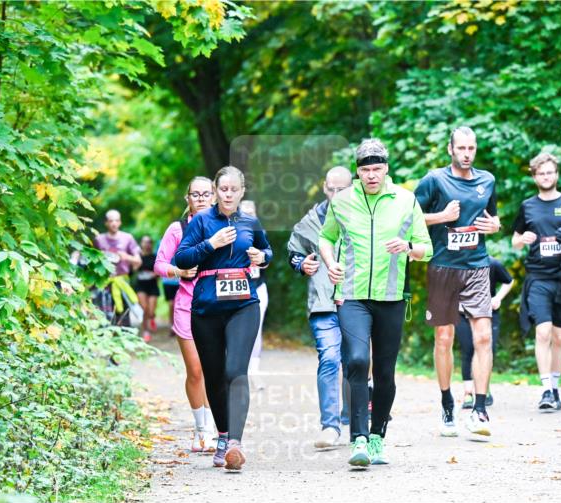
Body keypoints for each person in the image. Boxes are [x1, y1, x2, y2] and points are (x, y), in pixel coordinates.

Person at [319, 139, 432, 468]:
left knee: (384, 372)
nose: (371, 175)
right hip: (352, 296)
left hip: (391, 297)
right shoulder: (341, 202)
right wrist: (330, 262)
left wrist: (408, 246)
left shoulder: (406, 200)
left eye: (377, 169)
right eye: (365, 170)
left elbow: (427, 248)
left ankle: (378, 435)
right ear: (358, 171)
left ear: (386, 169)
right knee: (356, 360)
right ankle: (359, 438)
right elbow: (326, 238)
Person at [175, 166, 273, 471]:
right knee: (215, 377)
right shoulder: (202, 221)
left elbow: (267, 249)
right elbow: (182, 258)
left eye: (234, 189)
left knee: (235, 370)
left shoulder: (249, 221)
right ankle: (222, 434)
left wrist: (262, 257)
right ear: (216, 191)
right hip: (205, 309)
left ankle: (235, 444)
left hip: (243, 305)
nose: (228, 194)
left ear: (242, 191)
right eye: (223, 189)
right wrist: (211, 244)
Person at [414, 126, 501, 439]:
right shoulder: (434, 180)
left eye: (472, 148)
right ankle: (447, 402)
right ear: (450, 149)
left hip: (477, 266)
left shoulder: (487, 180)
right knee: (444, 339)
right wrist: (442, 217)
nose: (467, 154)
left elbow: (494, 218)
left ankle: (479, 408)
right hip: (443, 267)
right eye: (461, 148)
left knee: (483, 338)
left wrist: (495, 225)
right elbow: (409, 216)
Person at [512, 152, 561, 412]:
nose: (546, 176)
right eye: (541, 173)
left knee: (559, 336)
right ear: (534, 177)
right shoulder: (528, 206)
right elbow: (515, 239)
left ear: (556, 174)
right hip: (538, 277)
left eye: (550, 172)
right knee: (542, 331)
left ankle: (555, 388)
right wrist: (523, 239)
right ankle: (545, 389)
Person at [287, 166, 354, 449]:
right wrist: (302, 264)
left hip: (357, 301)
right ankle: (330, 426)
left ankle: (355, 420)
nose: (336, 194)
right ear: (324, 188)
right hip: (323, 302)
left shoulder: (365, 215)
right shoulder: (310, 221)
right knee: (329, 359)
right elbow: (293, 253)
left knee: (357, 362)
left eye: (342, 189)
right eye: (331, 189)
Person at [154, 178, 218, 452]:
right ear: (187, 198)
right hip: (186, 306)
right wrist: (178, 272)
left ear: (214, 197)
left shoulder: (224, 225)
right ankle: (201, 429)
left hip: (217, 306)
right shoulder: (177, 229)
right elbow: (159, 264)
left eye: (206, 194)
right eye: (196, 194)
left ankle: (218, 428)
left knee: (214, 371)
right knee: (195, 370)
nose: (201, 198)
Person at [455, 257, 514, 409]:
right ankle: (468, 393)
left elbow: (509, 280)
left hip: (488, 312)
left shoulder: (492, 263)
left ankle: (483, 388)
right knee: (468, 349)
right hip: (462, 314)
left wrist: (498, 298)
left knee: (488, 349)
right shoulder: (456, 263)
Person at [93, 209, 142, 326]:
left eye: (116, 220)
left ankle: (125, 340)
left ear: (120, 222)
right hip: (104, 283)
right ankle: (107, 341)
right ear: (106, 223)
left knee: (124, 315)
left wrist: (126, 257)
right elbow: (92, 261)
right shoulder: (99, 239)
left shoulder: (128, 238)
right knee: (105, 316)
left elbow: (138, 261)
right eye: (111, 221)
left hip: (122, 282)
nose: (114, 223)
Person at [239, 200, 268, 391]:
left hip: (258, 288)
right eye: (245, 212)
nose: (249, 215)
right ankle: (239, 372)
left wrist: (262, 257)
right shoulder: (231, 234)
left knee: (256, 329)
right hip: (238, 289)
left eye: (252, 212)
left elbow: (268, 259)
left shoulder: (261, 234)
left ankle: (254, 372)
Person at [135, 235, 159, 342]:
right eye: (145, 242)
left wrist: (155, 274)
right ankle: (146, 331)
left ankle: (152, 317)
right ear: (141, 243)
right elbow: (132, 271)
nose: (147, 244)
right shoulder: (137, 257)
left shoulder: (155, 257)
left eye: (149, 242)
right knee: (145, 308)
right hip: (141, 285)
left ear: (151, 244)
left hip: (152, 285)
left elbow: (160, 270)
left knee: (151, 310)